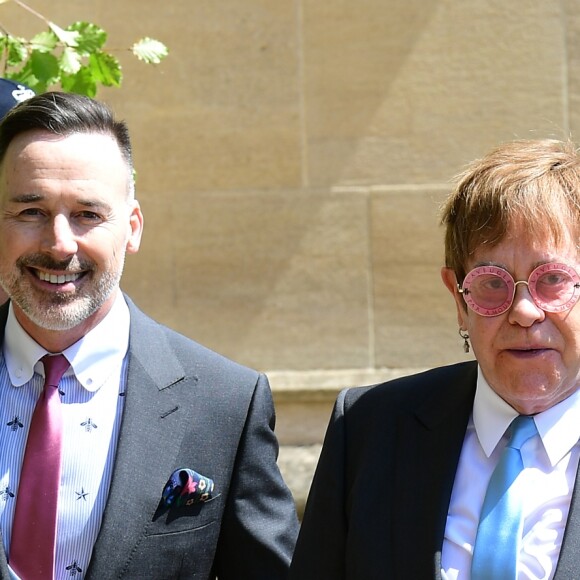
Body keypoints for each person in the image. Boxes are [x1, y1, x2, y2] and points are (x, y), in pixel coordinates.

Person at [0, 91, 298, 579]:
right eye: (30, 212)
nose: (59, 243)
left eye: (88, 214)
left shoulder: (224, 403)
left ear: (132, 228)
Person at [290, 138, 580, 579]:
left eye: (552, 279)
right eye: (492, 282)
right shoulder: (370, 429)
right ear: (458, 299)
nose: (523, 311)